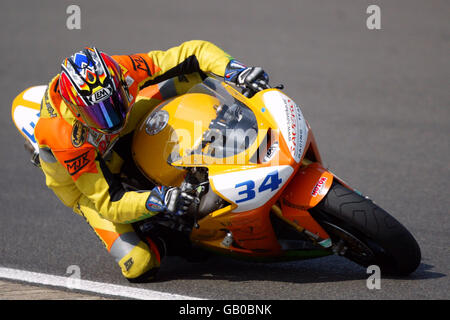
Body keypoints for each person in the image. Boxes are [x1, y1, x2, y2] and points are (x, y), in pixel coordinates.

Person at [34, 40, 268, 282]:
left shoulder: (122, 70)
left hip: (124, 129)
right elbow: (109, 202)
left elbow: (192, 53)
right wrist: (157, 200)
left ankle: (238, 126)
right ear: (76, 109)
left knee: (190, 78)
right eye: (97, 112)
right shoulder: (66, 138)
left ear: (119, 83)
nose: (110, 117)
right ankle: (165, 234)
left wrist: (236, 70)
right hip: (87, 183)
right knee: (139, 265)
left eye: (113, 102)